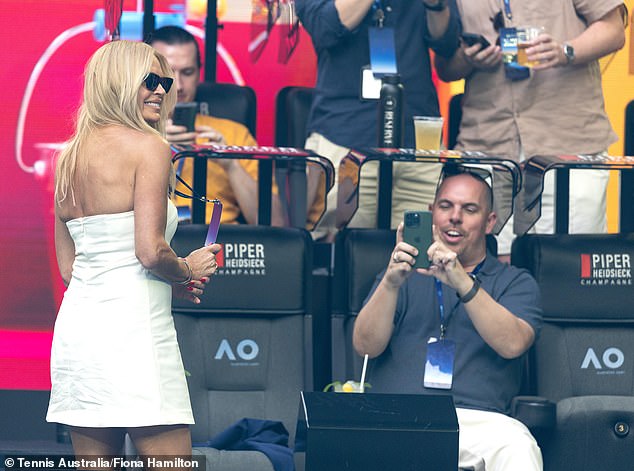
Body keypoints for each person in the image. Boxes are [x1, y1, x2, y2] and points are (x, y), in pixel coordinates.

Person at [46, 40, 221, 468]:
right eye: (150, 81)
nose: (163, 90)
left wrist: (162, 282)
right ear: (118, 84)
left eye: (166, 82)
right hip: (136, 336)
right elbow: (149, 250)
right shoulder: (151, 147)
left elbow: (71, 269)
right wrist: (184, 270)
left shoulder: (66, 157)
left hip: (79, 336)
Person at [353, 165, 543, 470]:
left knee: (518, 447)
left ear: (490, 222)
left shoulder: (514, 281)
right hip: (397, 417)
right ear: (432, 213)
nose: (455, 217)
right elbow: (365, 346)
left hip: (479, 423)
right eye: (446, 206)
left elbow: (513, 343)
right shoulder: (400, 275)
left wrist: (461, 281)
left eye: (469, 209)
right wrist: (390, 281)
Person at [435, 1, 627, 261]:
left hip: (568, 140)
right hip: (489, 144)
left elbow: (614, 30)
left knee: (568, 264)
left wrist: (565, 51)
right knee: (492, 267)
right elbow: (445, 67)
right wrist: (469, 59)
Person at [296, 0, 462, 241]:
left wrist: (435, 6)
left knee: (423, 248)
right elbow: (326, 28)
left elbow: (446, 43)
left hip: (418, 139)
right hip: (346, 140)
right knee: (338, 248)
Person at [149, 26, 284, 226]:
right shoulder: (130, 132)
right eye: (168, 74)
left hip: (219, 243)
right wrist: (153, 144)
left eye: (187, 72)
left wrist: (230, 164)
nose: (178, 86)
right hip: (151, 242)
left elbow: (276, 223)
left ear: (198, 74)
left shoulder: (233, 134)